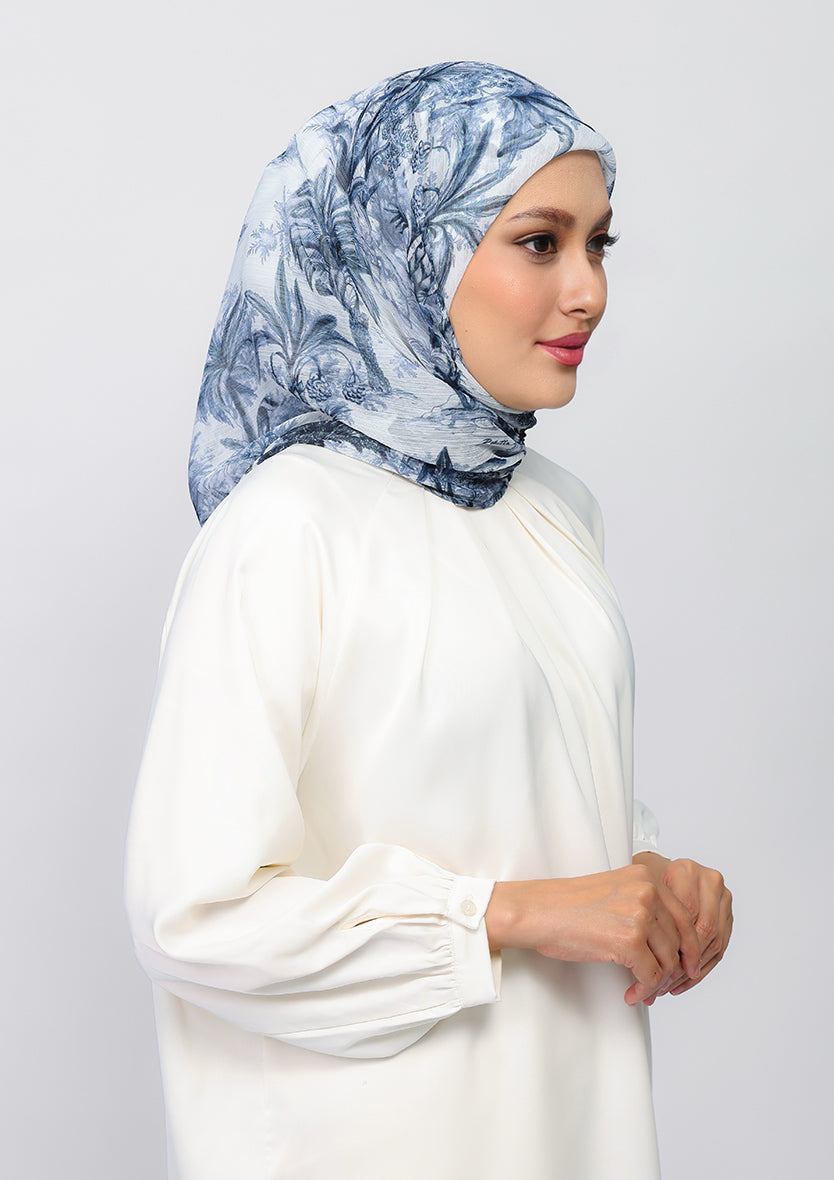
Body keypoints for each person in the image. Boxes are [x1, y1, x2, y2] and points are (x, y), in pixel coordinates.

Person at [125, 61, 732, 1179]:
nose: (589, 291)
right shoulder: (286, 527)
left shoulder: (553, 508)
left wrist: (650, 877)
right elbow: (195, 917)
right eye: (539, 242)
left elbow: (515, 785)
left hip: (573, 1129)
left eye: (598, 244)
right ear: (406, 246)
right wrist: (512, 916)